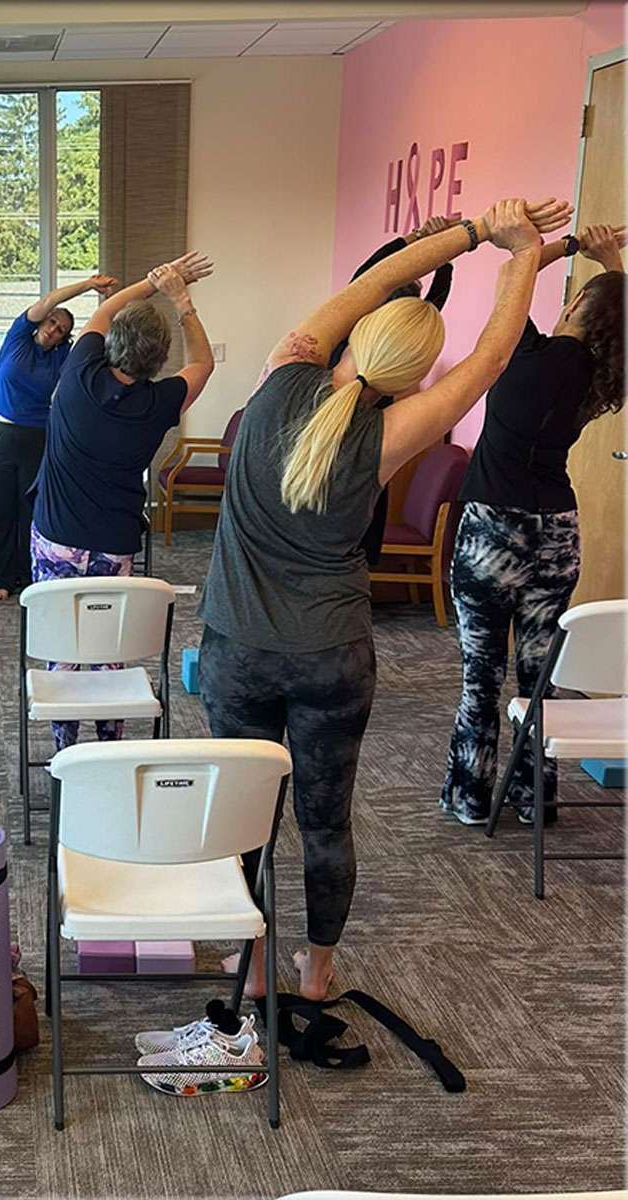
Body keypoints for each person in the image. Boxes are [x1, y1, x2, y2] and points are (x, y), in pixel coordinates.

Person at [198, 197, 572, 1002]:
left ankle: (253, 965)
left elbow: (377, 281)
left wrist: (473, 235)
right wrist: (526, 255)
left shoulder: (277, 376)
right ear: (408, 377)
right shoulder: (394, 430)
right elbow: (493, 356)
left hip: (237, 651)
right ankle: (319, 971)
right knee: (325, 822)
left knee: (242, 821)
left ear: (354, 337)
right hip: (333, 658)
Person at [441, 222, 625, 827]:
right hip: (557, 534)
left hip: (492, 529)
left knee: (481, 677)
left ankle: (470, 799)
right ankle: (533, 799)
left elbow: (510, 275)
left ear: (575, 305)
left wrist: (574, 247)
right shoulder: (602, 376)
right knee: (538, 678)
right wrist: (613, 264)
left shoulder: (523, 354)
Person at [29, 253, 215, 751]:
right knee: (111, 649)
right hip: (114, 544)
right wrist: (182, 301)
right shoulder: (160, 402)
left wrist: (154, 282)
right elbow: (204, 363)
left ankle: (66, 751)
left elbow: (108, 307)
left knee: (63, 647)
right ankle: (109, 745)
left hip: (57, 537)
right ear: (157, 361)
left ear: (111, 346)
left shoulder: (78, 372)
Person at [0, 273, 119, 601]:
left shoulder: (61, 357)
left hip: (38, 440)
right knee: (0, 512)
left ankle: (28, 577)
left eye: (60, 330)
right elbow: (45, 303)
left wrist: (104, 302)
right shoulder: (18, 338)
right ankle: (1, 579)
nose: (53, 329)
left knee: (30, 513)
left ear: (62, 339)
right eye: (51, 322)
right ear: (42, 321)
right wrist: (87, 285)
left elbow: (99, 339)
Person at [333, 214, 460, 565]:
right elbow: (435, 301)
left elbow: (367, 275)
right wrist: (445, 253)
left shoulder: (345, 339)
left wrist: (416, 240)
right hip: (370, 460)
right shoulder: (399, 354)